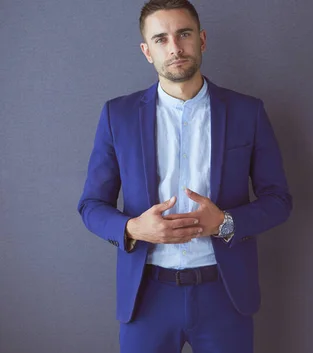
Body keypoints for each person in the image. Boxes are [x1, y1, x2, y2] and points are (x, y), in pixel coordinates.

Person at [77, 0, 292, 352]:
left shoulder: (247, 112)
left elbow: (279, 200)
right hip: (146, 297)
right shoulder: (119, 115)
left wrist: (225, 222)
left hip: (224, 294)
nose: (175, 48)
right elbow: (91, 205)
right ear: (147, 51)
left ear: (202, 40)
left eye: (184, 34)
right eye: (161, 39)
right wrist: (133, 229)